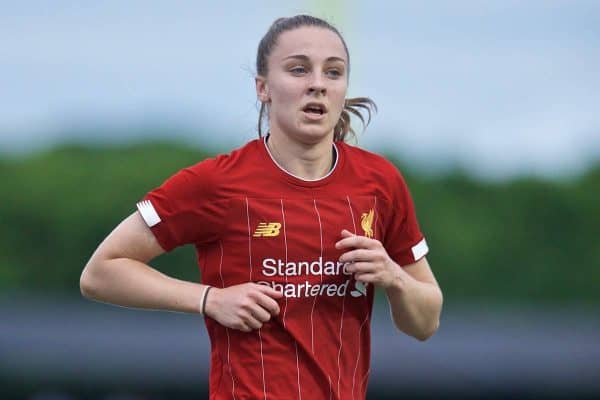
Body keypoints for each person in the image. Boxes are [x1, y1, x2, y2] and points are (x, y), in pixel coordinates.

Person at [80, 14, 443, 400]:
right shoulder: (217, 183)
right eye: (299, 69)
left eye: (333, 73)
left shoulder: (380, 182)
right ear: (263, 87)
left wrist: (393, 277)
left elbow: (425, 323)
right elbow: (101, 272)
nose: (317, 84)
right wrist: (211, 300)